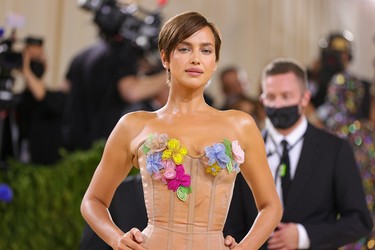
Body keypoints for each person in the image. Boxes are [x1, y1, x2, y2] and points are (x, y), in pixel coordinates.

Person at [81, 11, 282, 250]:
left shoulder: (240, 125)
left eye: (206, 50)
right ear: (165, 57)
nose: (196, 59)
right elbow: (92, 201)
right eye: (185, 49)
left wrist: (246, 247)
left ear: (215, 62)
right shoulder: (134, 125)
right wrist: (116, 238)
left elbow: (271, 206)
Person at [224, 58, 373, 249]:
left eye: (286, 96)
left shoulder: (335, 149)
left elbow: (359, 220)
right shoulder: (242, 152)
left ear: (305, 98)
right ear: (262, 100)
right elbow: (231, 223)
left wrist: (305, 235)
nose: (278, 104)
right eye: (271, 97)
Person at [16, 36, 66, 164]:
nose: (36, 62)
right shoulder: (17, 101)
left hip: (47, 171)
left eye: (39, 57)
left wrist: (26, 71)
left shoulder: (57, 98)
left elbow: (41, 95)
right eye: (32, 59)